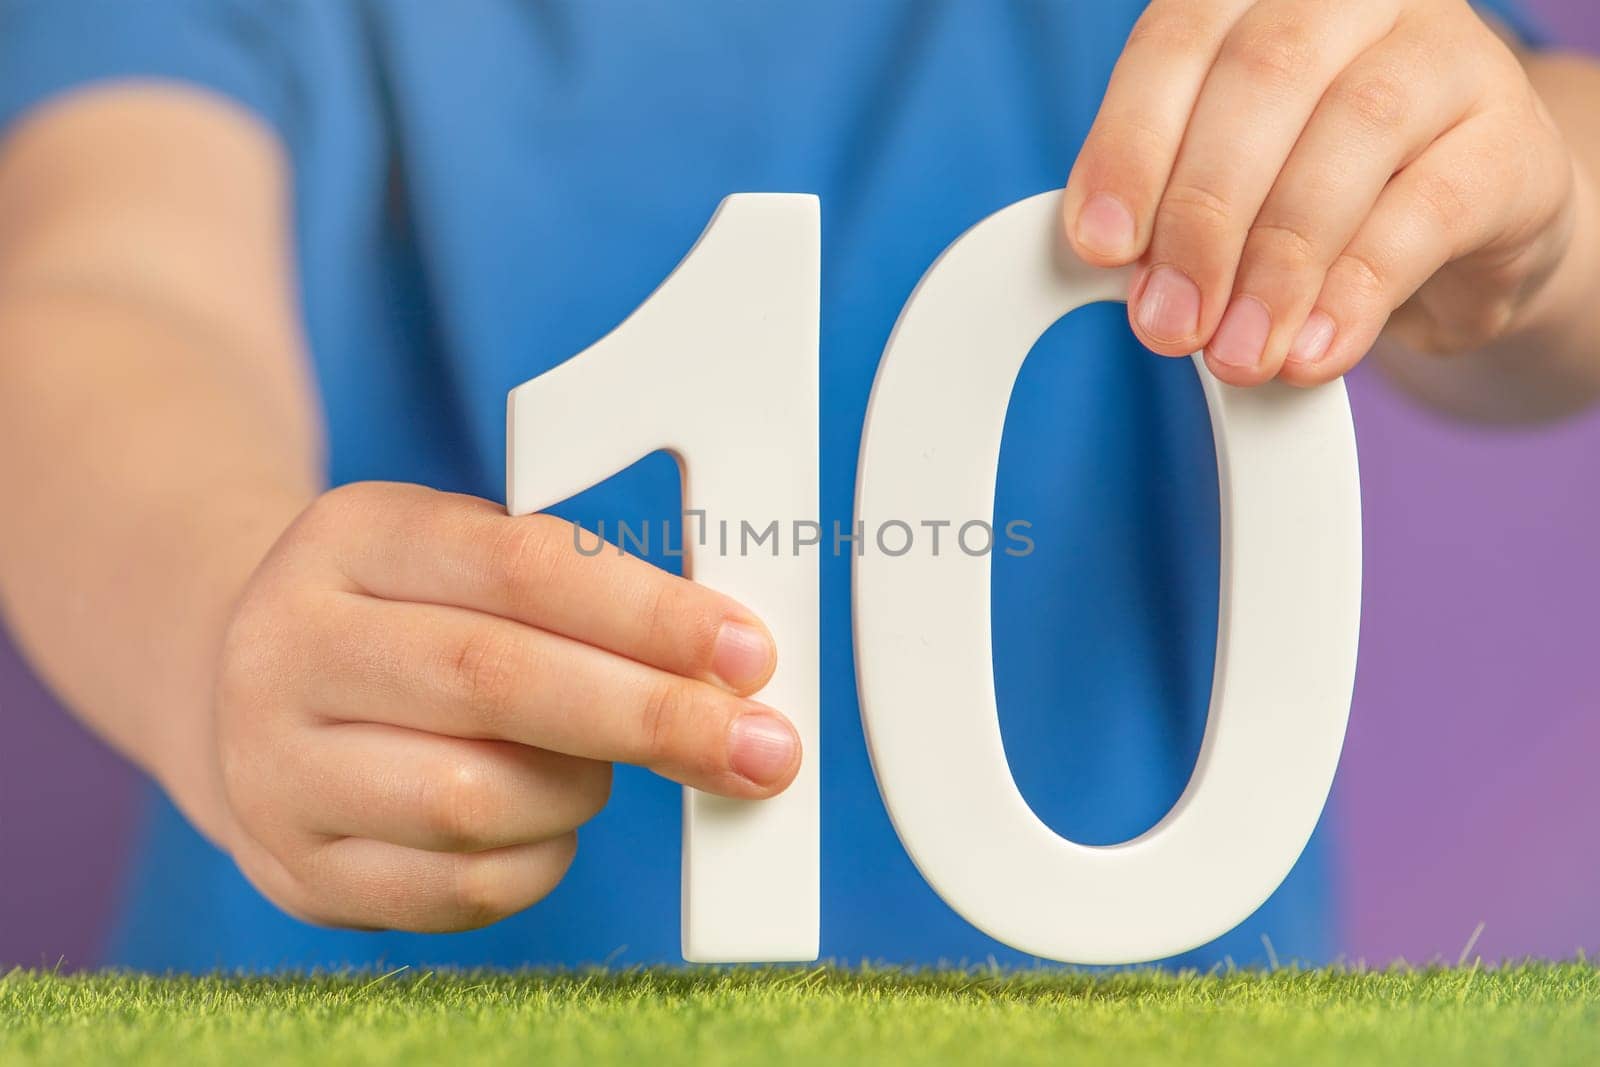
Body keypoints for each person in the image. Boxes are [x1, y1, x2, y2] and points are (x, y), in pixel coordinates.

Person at [0, 0, 1596, 973]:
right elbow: (107, 282)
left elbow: (1509, 183)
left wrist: (1524, 219)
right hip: (346, 985)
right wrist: (212, 612)